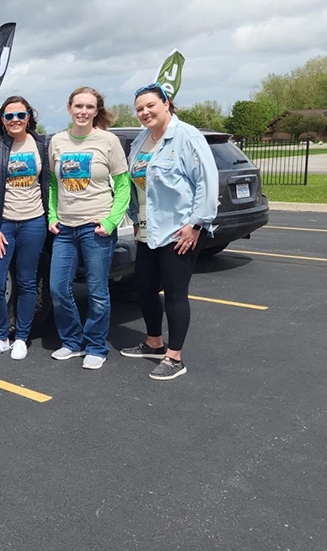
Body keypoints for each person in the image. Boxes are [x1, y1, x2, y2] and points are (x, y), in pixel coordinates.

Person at [121, 82, 219, 381]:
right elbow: (135, 184)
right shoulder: (141, 140)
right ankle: (153, 342)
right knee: (145, 288)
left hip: (180, 229)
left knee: (176, 293)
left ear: (166, 103)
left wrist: (197, 224)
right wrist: (135, 219)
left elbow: (206, 180)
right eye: (139, 108)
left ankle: (175, 357)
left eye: (150, 105)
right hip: (148, 229)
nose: (145, 112)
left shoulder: (186, 136)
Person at [47, 87, 129, 370]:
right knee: (58, 288)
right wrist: (51, 215)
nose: (83, 111)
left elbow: (122, 185)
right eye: (78, 106)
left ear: (97, 111)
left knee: (96, 290)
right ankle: (71, 341)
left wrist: (111, 221)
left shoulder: (108, 141)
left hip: (96, 228)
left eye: (89, 107)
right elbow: (53, 184)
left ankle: (95, 345)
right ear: (69, 108)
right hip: (66, 229)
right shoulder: (57, 141)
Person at [0, 95, 49, 361]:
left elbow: (51, 182)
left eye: (20, 115)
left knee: (27, 282)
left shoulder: (43, 145)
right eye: (9, 116)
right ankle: (0, 336)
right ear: (2, 121)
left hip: (34, 222)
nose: (15, 120)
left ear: (29, 117)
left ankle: (21, 338)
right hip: (3, 225)